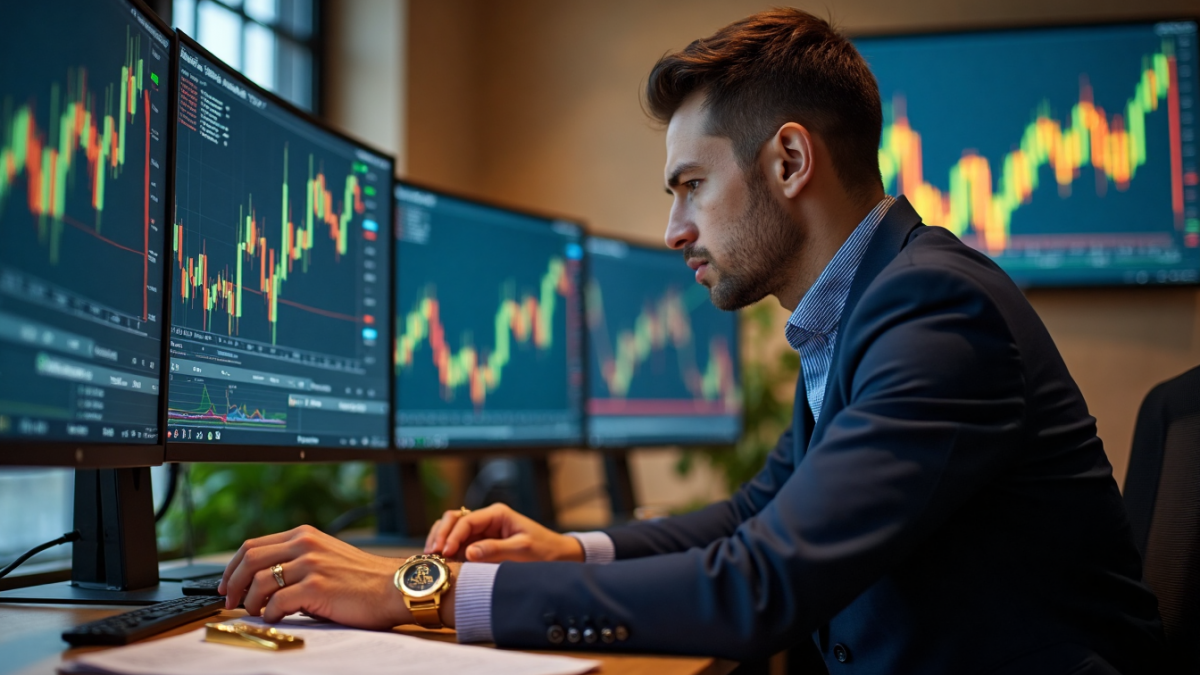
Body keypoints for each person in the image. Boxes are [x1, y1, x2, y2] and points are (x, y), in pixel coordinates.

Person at [218, 8, 1165, 673]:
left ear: (789, 160)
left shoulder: (932, 316)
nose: (674, 229)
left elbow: (762, 582)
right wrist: (570, 553)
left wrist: (417, 588)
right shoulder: (875, 302)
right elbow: (761, 515)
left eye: (688, 186)